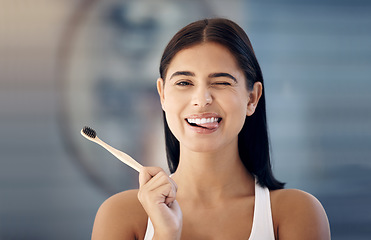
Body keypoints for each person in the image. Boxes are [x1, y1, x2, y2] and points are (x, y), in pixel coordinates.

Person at [91, 18, 331, 240]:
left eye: (221, 82)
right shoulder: (120, 215)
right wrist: (164, 234)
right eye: (184, 83)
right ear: (162, 95)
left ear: (252, 99)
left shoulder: (296, 212)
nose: (201, 99)